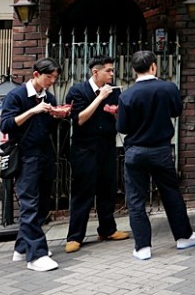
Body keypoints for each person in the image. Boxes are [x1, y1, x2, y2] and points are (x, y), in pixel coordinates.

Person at [118, 51, 195, 260]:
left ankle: (142, 247)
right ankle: (183, 236)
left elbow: (122, 127)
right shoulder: (168, 88)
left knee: (136, 199)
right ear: (154, 67)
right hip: (160, 149)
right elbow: (176, 111)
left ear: (133, 70)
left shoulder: (126, 95)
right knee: (171, 193)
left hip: (135, 151)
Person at [0, 58, 70, 272]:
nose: (51, 81)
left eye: (55, 78)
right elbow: (6, 124)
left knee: (42, 204)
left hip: (45, 154)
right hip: (25, 155)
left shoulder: (48, 97)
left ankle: (22, 248)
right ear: (36, 74)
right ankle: (36, 255)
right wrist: (33, 110)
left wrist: (57, 115)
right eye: (49, 77)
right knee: (29, 203)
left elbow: (47, 127)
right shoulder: (17, 96)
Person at [65, 56, 130, 253]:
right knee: (83, 192)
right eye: (108, 70)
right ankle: (75, 236)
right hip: (84, 149)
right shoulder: (78, 91)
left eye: (112, 70)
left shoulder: (114, 92)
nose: (112, 74)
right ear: (96, 72)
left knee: (107, 189)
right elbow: (79, 119)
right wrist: (100, 98)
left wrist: (116, 112)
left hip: (108, 146)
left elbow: (120, 122)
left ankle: (108, 229)